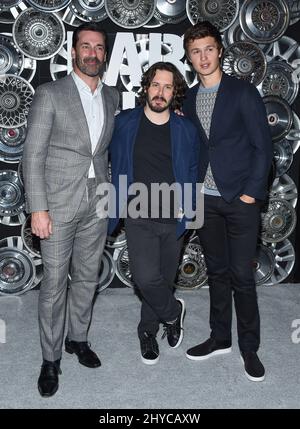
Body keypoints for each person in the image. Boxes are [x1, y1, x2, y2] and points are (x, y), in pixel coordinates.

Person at [22, 22, 119, 397]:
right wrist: (38, 209)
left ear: (104, 54)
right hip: (57, 205)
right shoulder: (50, 94)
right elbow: (32, 156)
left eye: (98, 47)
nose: (92, 53)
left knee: (87, 276)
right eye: (85, 46)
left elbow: (105, 153)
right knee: (53, 285)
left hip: (97, 202)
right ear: (73, 52)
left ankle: (77, 339)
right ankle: (50, 359)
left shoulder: (111, 97)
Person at [183, 21, 273, 381]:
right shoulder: (189, 98)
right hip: (206, 201)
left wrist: (252, 193)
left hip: (240, 199)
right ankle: (219, 337)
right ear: (189, 58)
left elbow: (263, 147)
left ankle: (249, 347)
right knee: (216, 274)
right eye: (195, 52)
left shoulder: (242, 92)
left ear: (219, 50)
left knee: (241, 276)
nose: (203, 57)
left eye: (208, 49)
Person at [108, 62, 200, 365]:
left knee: (162, 277)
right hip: (138, 212)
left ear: (175, 93)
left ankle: (147, 330)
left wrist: (192, 212)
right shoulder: (124, 122)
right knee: (146, 278)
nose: (160, 92)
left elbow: (193, 171)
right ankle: (174, 313)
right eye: (156, 85)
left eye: (168, 86)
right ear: (146, 87)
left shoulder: (185, 128)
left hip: (175, 215)